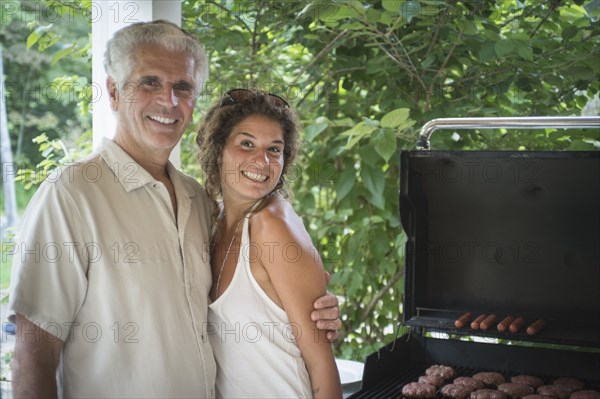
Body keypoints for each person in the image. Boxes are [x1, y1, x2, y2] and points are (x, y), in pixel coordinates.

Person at [8, 20, 340, 398]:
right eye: (149, 82)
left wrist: (314, 311)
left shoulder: (198, 202)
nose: (169, 101)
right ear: (114, 93)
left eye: (182, 87)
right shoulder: (71, 195)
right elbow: (33, 355)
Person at [196, 89, 343, 398]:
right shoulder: (213, 221)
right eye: (246, 143)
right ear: (218, 149)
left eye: (274, 149)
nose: (261, 160)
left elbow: (322, 365)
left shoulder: (272, 226)